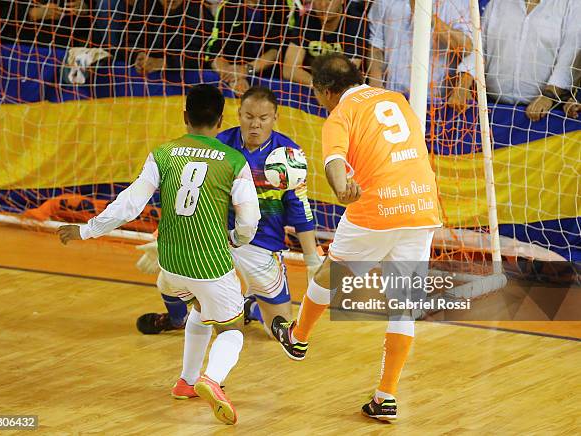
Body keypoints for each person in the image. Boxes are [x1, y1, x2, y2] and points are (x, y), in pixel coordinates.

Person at [57, 84, 260, 425]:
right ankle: (212, 379)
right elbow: (249, 221)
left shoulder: (163, 153)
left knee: (199, 309)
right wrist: (236, 240)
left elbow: (130, 205)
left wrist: (85, 230)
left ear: (185, 117)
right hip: (209, 264)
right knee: (233, 329)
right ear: (222, 119)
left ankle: (187, 382)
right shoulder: (234, 161)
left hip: (169, 266)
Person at [271, 53, 441, 421]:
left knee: (330, 275)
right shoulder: (396, 98)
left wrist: (340, 189)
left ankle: (298, 337)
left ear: (324, 90)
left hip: (377, 206)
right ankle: (386, 396)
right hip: (423, 203)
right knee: (403, 305)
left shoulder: (338, 116)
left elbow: (334, 163)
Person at [136, 86, 322, 337]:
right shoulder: (219, 145)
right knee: (168, 280)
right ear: (239, 114)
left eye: (263, 118)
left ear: (275, 118)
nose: (255, 124)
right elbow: (187, 195)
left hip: (262, 244)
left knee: (277, 331)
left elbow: (299, 208)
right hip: (214, 238)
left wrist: (311, 259)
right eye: (249, 116)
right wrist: (162, 237)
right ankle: (177, 319)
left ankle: (250, 306)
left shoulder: (289, 155)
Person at [448, 0, 581, 121]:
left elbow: (569, 59)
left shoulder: (572, 4)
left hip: (544, 115)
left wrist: (548, 96)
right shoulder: (497, 3)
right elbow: (479, 49)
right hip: (492, 110)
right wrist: (463, 85)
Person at [367, 0, 471, 97]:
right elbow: (376, 46)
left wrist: (427, 15)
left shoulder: (458, 3)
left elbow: (467, 47)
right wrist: (376, 87)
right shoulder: (384, 2)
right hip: (392, 96)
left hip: (437, 102)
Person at [204, 0, 298, 94]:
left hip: (273, 80)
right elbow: (214, 54)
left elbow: (277, 50)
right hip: (236, 76)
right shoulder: (228, 7)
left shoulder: (279, 5)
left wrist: (247, 69)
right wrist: (232, 77)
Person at [283, 0, 369, 86]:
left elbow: (346, 74)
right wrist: (319, 86)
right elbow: (288, 69)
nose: (323, 4)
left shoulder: (356, 22)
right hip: (315, 87)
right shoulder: (306, 20)